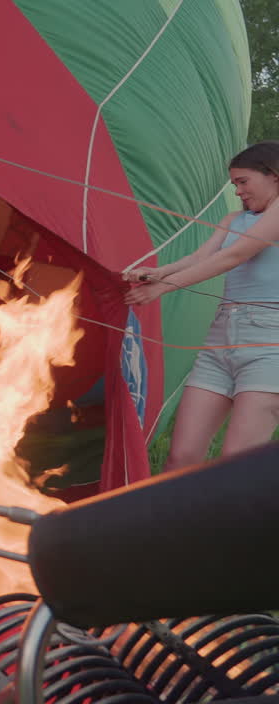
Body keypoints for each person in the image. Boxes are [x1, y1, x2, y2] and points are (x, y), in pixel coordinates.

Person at [124, 141, 279, 472]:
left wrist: (164, 288)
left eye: (243, 181)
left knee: (236, 463)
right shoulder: (233, 218)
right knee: (182, 456)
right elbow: (200, 257)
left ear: (274, 175)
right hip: (220, 340)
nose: (237, 191)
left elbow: (235, 256)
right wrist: (158, 273)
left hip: (269, 344)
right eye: (234, 184)